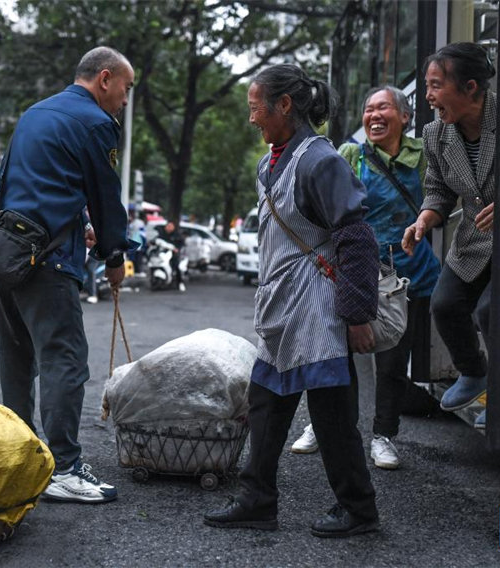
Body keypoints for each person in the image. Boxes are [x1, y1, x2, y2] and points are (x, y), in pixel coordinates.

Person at [204, 63, 380, 537]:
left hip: (320, 308)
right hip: (283, 308)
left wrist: (358, 313)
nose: (251, 118)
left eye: (255, 107)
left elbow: (357, 238)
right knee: (266, 405)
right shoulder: (271, 162)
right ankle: (257, 499)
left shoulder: (321, 161)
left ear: (284, 105)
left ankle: (359, 510)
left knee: (333, 418)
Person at [0, 46, 136, 503]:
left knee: (17, 362)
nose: (125, 101)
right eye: (126, 89)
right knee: (65, 361)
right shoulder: (95, 123)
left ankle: (18, 458)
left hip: (6, 253)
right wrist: (115, 256)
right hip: (47, 261)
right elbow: (105, 196)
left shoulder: (36, 113)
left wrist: (79, 226)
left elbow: (23, 183)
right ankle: (65, 469)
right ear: (105, 78)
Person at [290, 86, 441, 469]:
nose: (374, 115)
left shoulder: (424, 156)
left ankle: (384, 436)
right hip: (355, 272)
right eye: (369, 109)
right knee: (338, 355)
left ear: (405, 117)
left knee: (392, 365)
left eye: (384, 108)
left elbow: (443, 197)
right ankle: (329, 427)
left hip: (407, 275)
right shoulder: (350, 155)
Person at [401, 42, 496, 427]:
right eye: (427, 85)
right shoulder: (435, 133)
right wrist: (424, 219)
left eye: (436, 85)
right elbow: (438, 189)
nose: (428, 96)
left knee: (492, 311)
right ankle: (474, 372)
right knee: (445, 305)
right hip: (473, 242)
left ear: (470, 87)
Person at [160, 220, 185, 292]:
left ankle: (180, 282)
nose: (169, 228)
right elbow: (157, 240)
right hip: (163, 253)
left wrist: (177, 249)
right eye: (167, 226)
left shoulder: (177, 235)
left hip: (173, 254)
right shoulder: (162, 234)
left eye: (170, 226)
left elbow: (181, 244)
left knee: (176, 265)